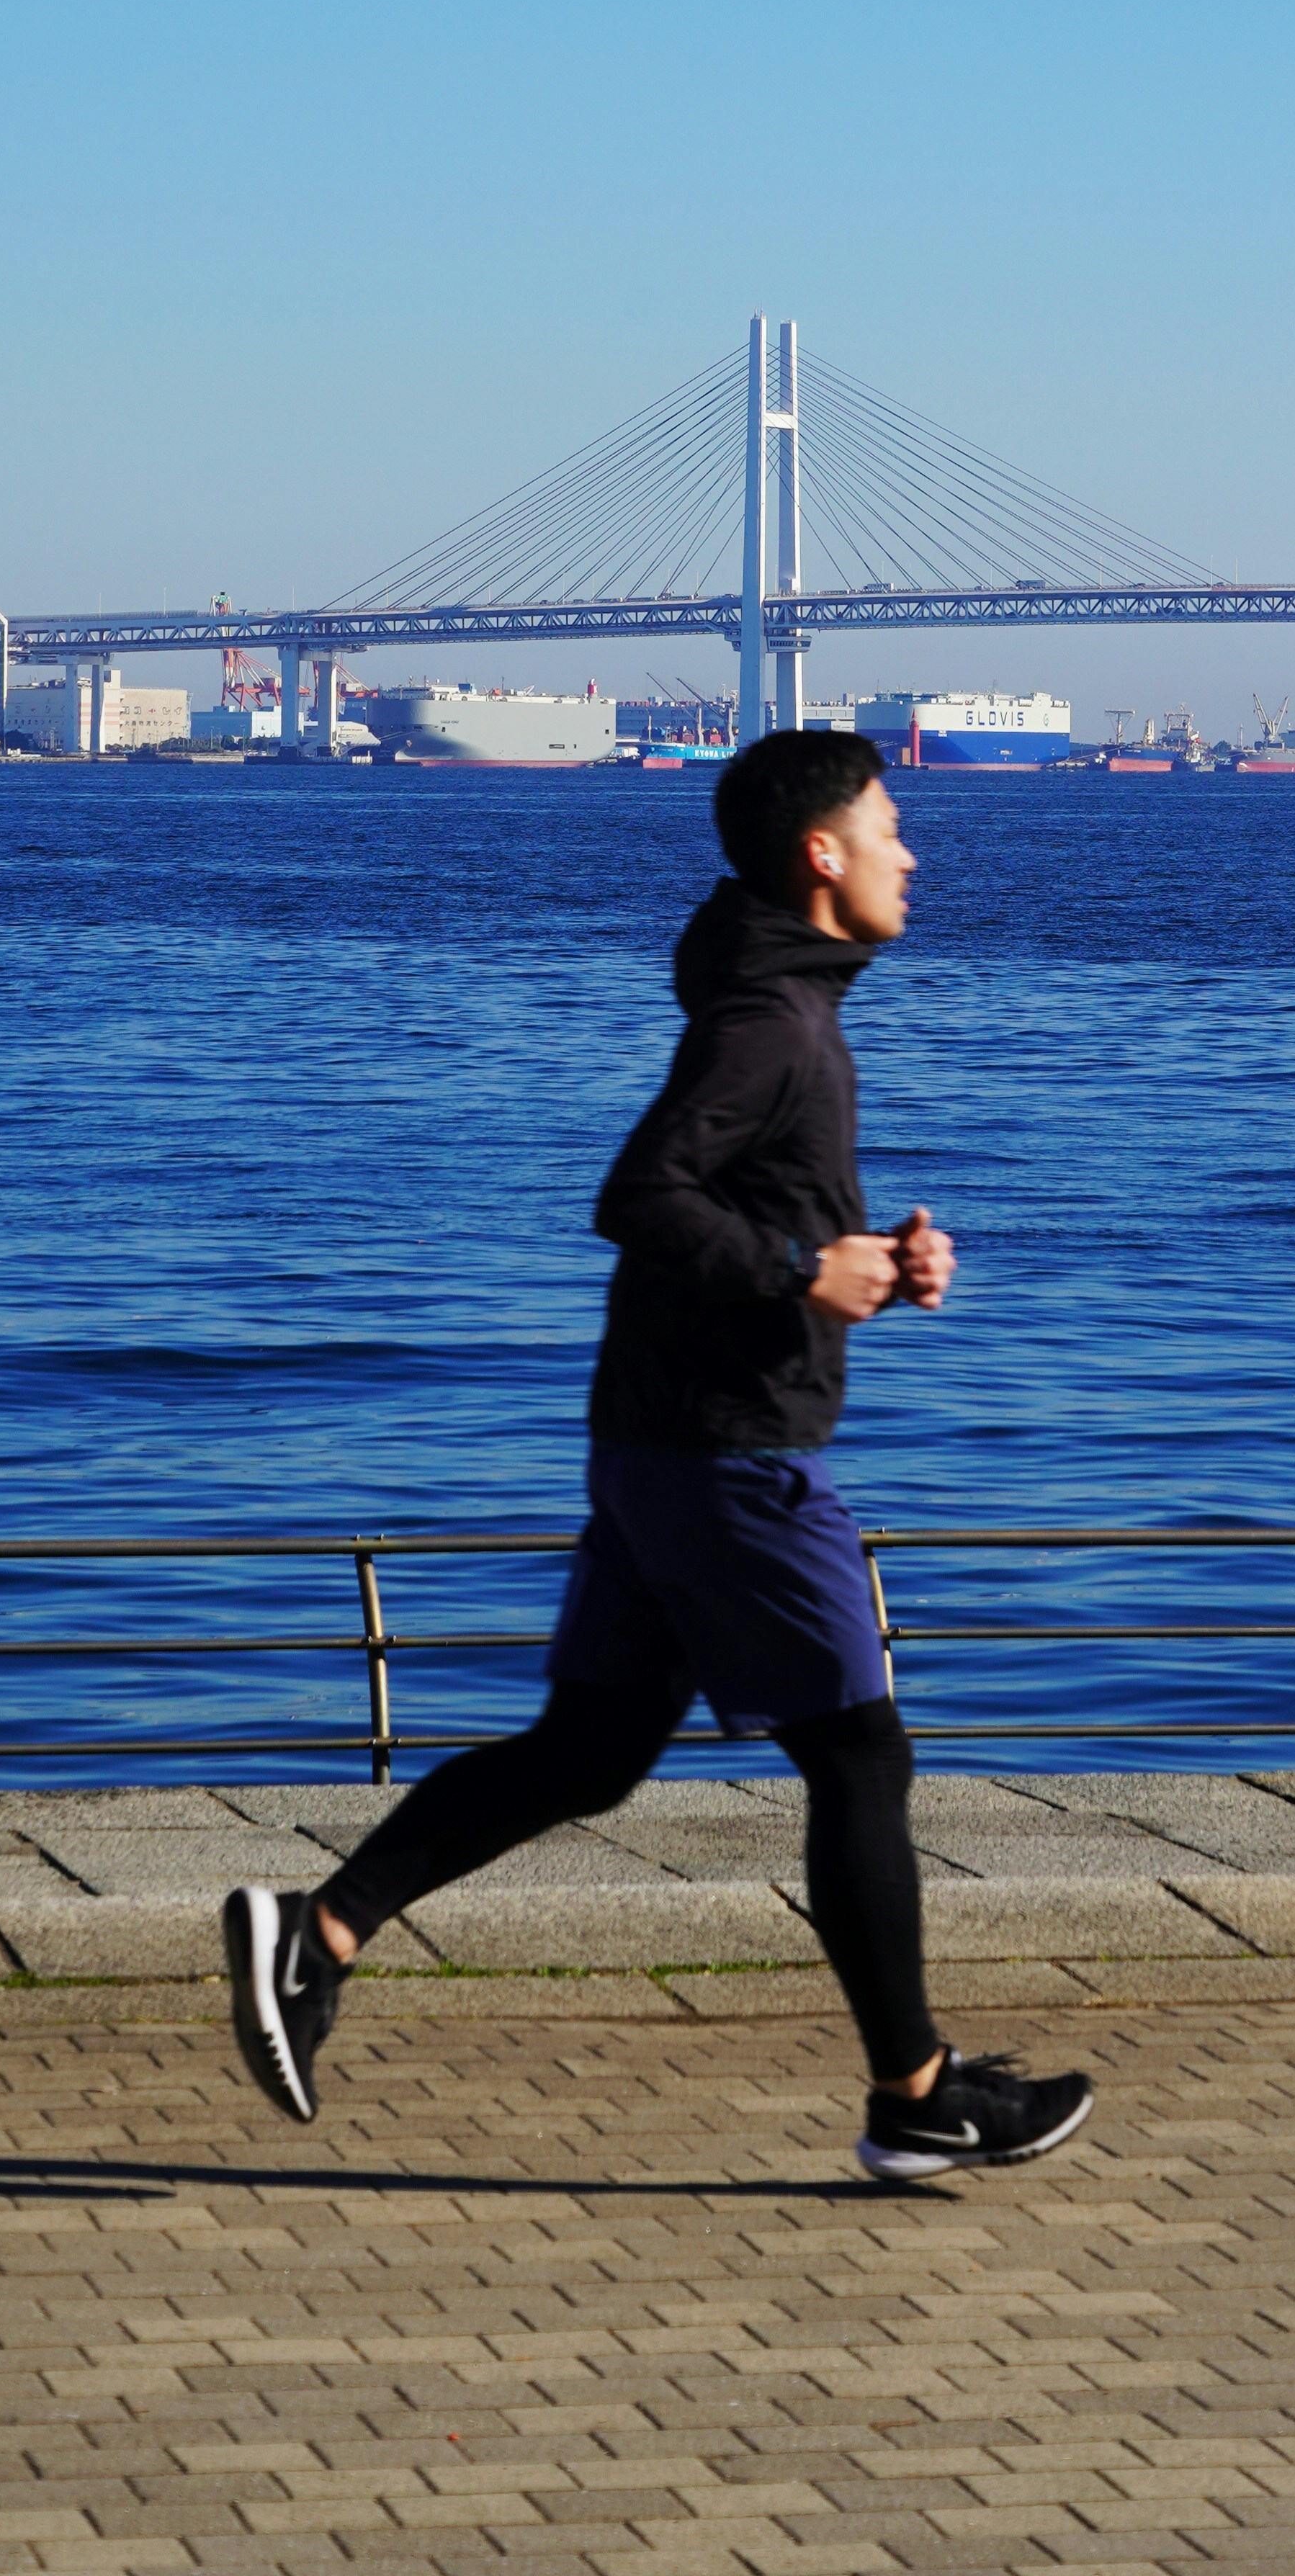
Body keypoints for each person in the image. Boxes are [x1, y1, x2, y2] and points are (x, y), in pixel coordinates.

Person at [223, 725, 1093, 2186]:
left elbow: (749, 1213)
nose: (911, 849)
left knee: (590, 1752)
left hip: (656, 1443)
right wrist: (798, 1274)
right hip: (730, 1455)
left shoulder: (779, 1002)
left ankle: (312, 1938)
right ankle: (917, 2092)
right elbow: (640, 1197)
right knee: (859, 1755)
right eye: (890, 823)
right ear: (821, 854)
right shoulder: (768, 1019)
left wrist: (875, 1259)